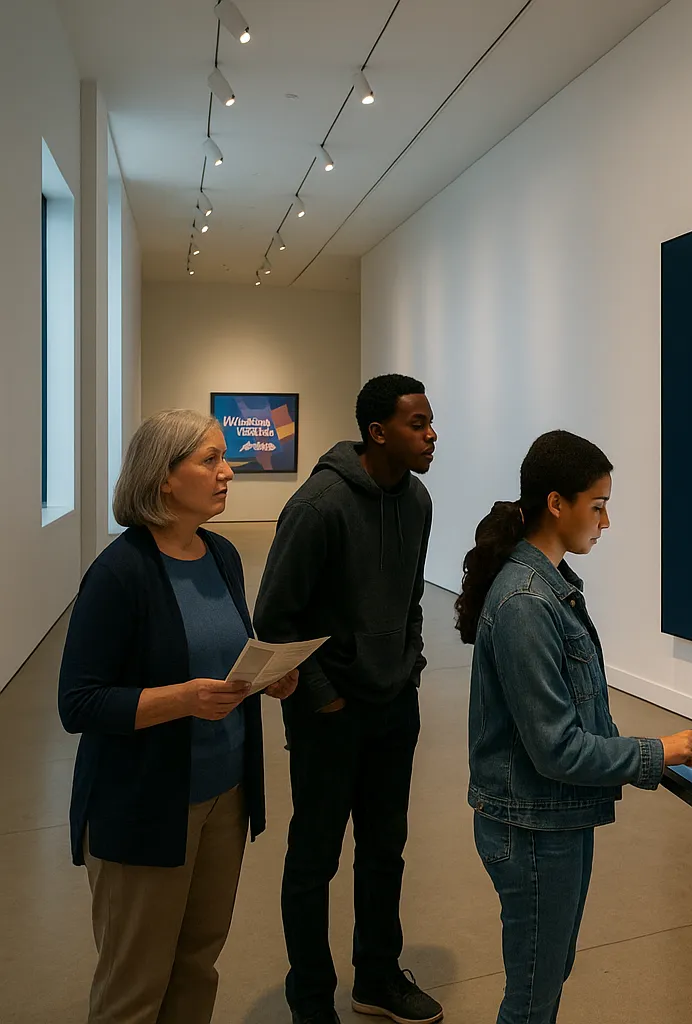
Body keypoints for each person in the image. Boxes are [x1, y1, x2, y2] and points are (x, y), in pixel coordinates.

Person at [455, 430, 692, 1024]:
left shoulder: (549, 589)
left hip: (550, 817)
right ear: (557, 504)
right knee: (531, 998)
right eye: (598, 505)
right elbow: (555, 748)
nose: (605, 522)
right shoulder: (527, 601)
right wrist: (657, 751)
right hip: (531, 826)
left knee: (544, 982)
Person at [58, 408, 299, 1024]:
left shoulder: (220, 555)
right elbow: (79, 702)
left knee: (197, 965)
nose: (228, 472)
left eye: (225, 458)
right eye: (210, 460)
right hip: (143, 804)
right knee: (134, 988)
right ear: (163, 478)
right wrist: (182, 699)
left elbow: (226, 655)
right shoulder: (119, 573)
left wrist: (266, 679)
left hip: (224, 795)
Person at [253, 374, 440, 1024]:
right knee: (315, 859)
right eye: (417, 424)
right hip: (327, 716)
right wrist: (327, 698)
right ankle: (310, 1000)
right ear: (378, 432)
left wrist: (409, 665)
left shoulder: (417, 501)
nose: (431, 434)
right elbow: (274, 617)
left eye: (431, 422)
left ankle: (377, 978)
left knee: (385, 849)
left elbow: (413, 595)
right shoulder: (320, 505)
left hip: (395, 706)